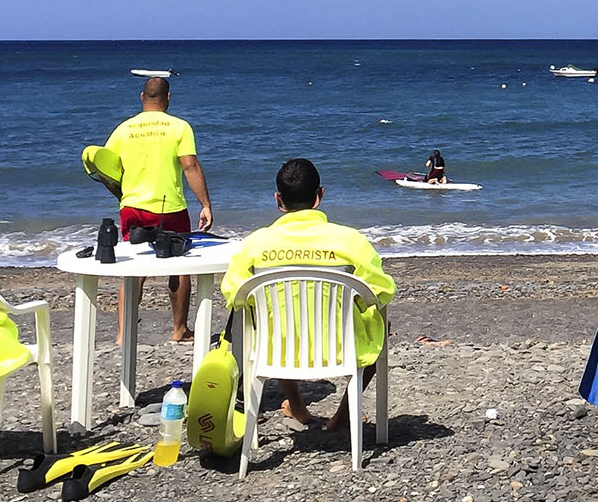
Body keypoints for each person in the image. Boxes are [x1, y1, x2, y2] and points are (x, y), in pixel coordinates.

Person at [221, 158, 395, 430]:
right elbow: (382, 291)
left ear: (279, 199)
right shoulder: (350, 240)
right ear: (319, 195)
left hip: (276, 350)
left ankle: (298, 405)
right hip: (340, 347)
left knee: (276, 319)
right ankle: (342, 415)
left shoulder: (255, 243)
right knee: (382, 324)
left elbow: (234, 294)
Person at [104, 76, 213, 343]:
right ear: (169, 97)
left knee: (134, 270)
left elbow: (105, 169)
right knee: (179, 266)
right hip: (169, 207)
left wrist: (122, 195)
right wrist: (205, 204)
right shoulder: (179, 127)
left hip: (132, 208)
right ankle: (179, 329)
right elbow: (190, 166)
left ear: (143, 97)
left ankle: (122, 333)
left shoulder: (123, 129)